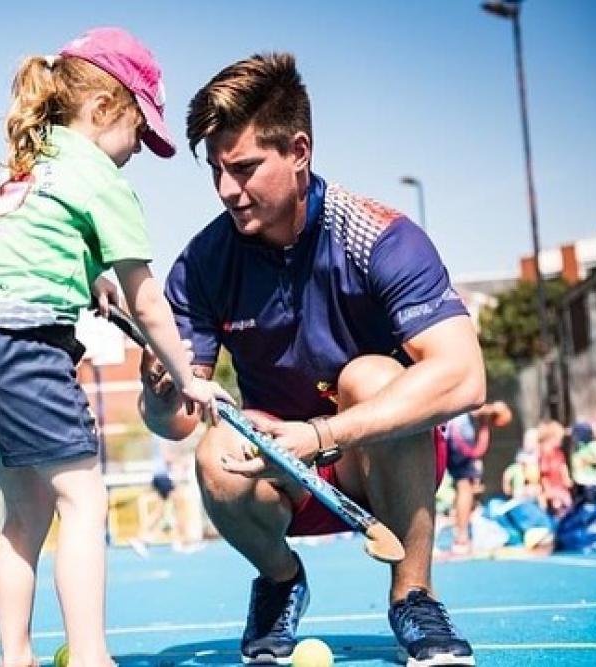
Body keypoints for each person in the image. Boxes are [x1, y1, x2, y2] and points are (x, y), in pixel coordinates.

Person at [138, 52, 485, 666]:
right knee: (214, 449)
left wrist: (321, 435)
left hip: (379, 463)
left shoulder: (381, 236)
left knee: (372, 375)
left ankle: (414, 594)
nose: (226, 190)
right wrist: (160, 393)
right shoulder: (202, 264)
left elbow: (464, 377)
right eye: (216, 171)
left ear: (299, 151)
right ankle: (280, 579)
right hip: (279, 470)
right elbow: (178, 421)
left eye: (244, 168)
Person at [0, 27, 231, 667]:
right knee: (85, 499)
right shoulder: (100, 178)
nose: (136, 151)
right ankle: (93, 657)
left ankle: (15, 658)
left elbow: (33, 247)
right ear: (103, 110)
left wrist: (88, 276)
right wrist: (189, 378)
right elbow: (148, 300)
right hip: (24, 345)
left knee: (26, 511)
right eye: (138, 132)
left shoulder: (31, 157)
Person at [444, 401, 508, 555]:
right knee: (464, 485)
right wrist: (494, 409)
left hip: (442, 428)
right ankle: (461, 538)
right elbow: (480, 410)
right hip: (457, 431)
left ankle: (459, 535)